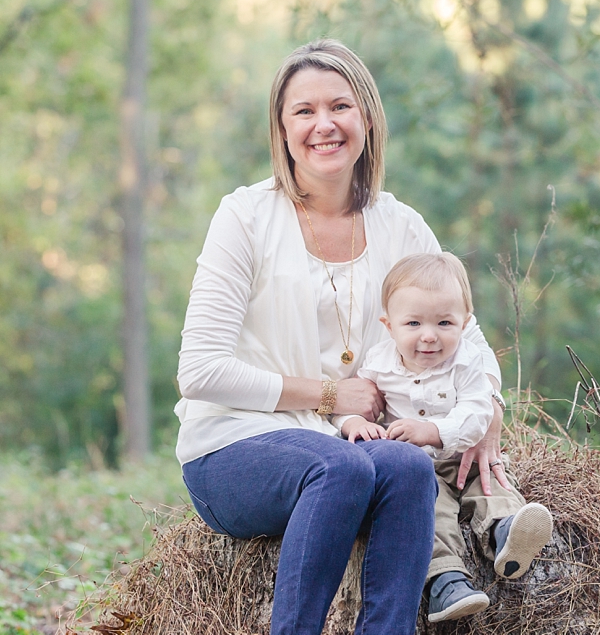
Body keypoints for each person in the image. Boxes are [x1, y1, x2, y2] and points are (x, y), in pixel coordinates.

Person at [174, 39, 510, 635]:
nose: (323, 125)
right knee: (345, 468)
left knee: (406, 469)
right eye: (303, 111)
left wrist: (491, 410)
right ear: (281, 130)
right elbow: (200, 370)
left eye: (340, 106)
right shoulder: (245, 217)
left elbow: (471, 338)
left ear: (367, 119)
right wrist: (330, 395)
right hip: (235, 447)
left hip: (351, 445)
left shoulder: (402, 225)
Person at [335, 252, 554, 623]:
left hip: (459, 453)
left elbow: (478, 410)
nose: (429, 335)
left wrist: (435, 431)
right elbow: (353, 400)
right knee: (431, 511)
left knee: (492, 483)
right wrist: (352, 422)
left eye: (444, 322)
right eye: (414, 323)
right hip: (417, 469)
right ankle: (447, 582)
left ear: (465, 323)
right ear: (389, 326)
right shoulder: (378, 362)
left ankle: (506, 532)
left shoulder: (468, 362)